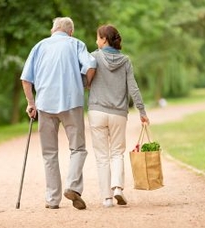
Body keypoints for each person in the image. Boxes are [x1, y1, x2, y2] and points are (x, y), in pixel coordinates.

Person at [20, 17, 96, 210]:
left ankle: (52, 199)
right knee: (78, 149)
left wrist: (31, 103)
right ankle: (72, 186)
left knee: (49, 153)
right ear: (70, 31)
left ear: (53, 30)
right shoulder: (76, 44)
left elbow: (26, 79)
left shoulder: (39, 46)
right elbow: (90, 66)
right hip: (72, 103)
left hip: (45, 104)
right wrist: (85, 84)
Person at [87, 24, 150, 208]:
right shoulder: (126, 61)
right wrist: (142, 112)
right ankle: (118, 189)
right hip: (118, 114)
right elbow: (133, 88)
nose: (96, 41)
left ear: (104, 39)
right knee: (117, 153)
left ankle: (106, 198)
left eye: (98, 37)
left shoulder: (93, 57)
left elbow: (85, 80)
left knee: (101, 156)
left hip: (97, 111)